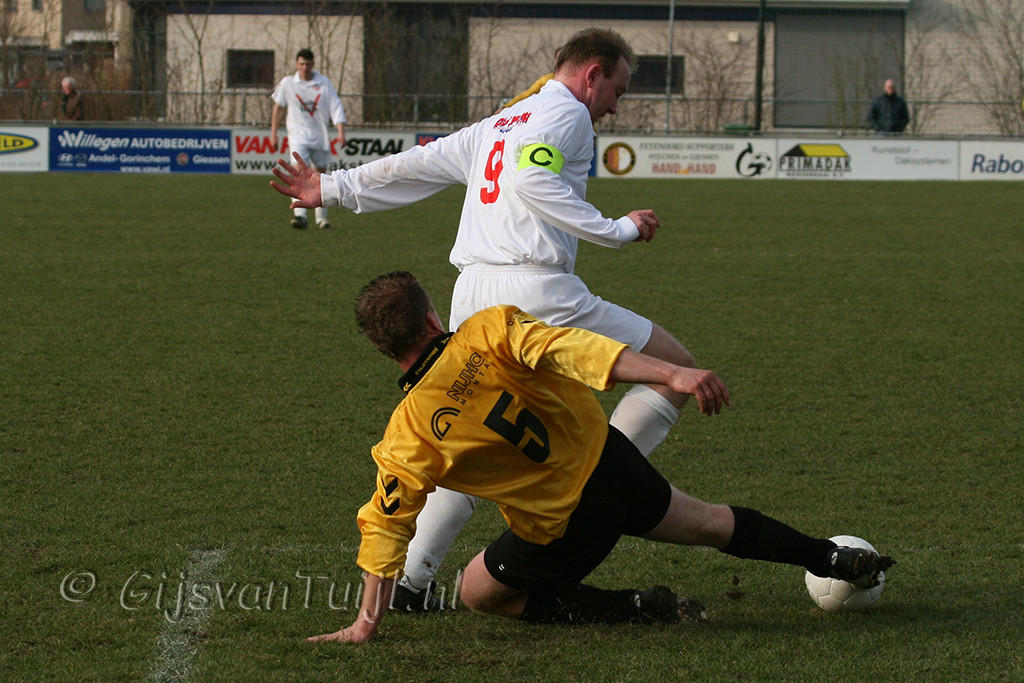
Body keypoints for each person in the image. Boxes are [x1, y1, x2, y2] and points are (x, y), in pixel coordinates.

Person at [272, 28, 704, 611]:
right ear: (592, 74)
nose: (614, 106)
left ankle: (410, 583)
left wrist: (334, 186)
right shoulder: (567, 113)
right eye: (618, 91)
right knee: (675, 369)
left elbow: (420, 163)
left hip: (472, 292)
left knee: (474, 435)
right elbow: (531, 180)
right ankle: (600, 481)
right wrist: (617, 229)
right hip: (535, 289)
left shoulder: (502, 121)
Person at [306, 271, 894, 644]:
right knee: (712, 523)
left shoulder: (409, 432)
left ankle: (635, 607)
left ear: (384, 349)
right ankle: (832, 556)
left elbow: (385, 525)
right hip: (615, 465)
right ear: (433, 317)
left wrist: (366, 623)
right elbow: (575, 348)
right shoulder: (489, 330)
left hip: (562, 528)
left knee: (477, 594)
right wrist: (672, 372)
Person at [270, 49, 346, 230]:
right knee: (298, 173)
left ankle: (321, 219)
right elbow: (278, 108)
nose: (305, 67)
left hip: (320, 136)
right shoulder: (288, 83)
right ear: (296, 64)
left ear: (313, 64)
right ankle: (300, 216)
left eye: (308, 64)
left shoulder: (323, 82)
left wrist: (341, 131)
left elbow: (336, 106)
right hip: (298, 136)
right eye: (301, 64)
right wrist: (273, 133)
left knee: (321, 177)